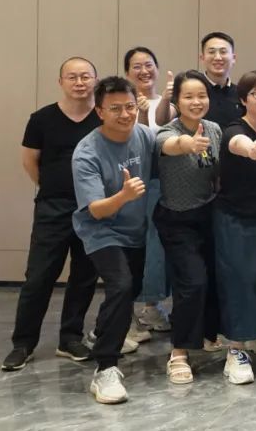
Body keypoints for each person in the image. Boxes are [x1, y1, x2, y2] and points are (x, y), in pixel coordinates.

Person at [2, 58, 101, 372]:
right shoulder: (41, 118)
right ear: (61, 82)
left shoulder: (103, 117)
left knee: (84, 277)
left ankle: (70, 338)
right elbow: (30, 161)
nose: (79, 82)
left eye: (85, 76)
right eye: (72, 77)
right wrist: (52, 187)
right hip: (52, 208)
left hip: (92, 209)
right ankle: (23, 343)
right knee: (39, 277)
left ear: (95, 81)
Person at [71, 76, 155, 404]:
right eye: (116, 108)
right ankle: (105, 368)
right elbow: (96, 209)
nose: (125, 114)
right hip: (100, 230)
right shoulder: (86, 152)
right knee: (120, 285)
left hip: (135, 230)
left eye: (130, 106)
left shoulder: (143, 135)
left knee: (131, 289)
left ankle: (101, 331)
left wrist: (188, 144)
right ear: (100, 111)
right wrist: (123, 195)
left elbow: (166, 143)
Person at [213, 70, 256, 385]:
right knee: (239, 280)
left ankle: (255, 333)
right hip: (235, 218)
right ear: (243, 100)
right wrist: (251, 149)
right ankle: (236, 349)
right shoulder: (235, 130)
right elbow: (237, 144)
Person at [153, 70, 223, 384]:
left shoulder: (214, 129)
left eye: (202, 96)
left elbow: (216, 171)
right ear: (177, 101)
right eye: (189, 97)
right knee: (191, 282)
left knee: (214, 279)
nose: (197, 102)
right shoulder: (166, 133)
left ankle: (208, 334)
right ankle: (179, 352)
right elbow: (172, 146)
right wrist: (187, 143)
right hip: (176, 218)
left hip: (208, 214)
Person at [123, 47, 171, 339]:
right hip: (130, 184)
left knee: (156, 247)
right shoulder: (122, 105)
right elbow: (135, 141)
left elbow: (165, 129)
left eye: (149, 64)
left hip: (160, 183)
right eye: (137, 66)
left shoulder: (167, 103)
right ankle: (126, 317)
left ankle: (152, 307)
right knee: (131, 245)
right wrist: (138, 111)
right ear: (127, 72)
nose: (144, 71)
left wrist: (163, 100)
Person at [200, 32, 242, 127]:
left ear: (233, 58)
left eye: (223, 52)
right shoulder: (190, 91)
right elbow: (166, 119)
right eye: (211, 52)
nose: (218, 57)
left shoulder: (242, 94)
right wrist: (166, 99)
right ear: (202, 58)